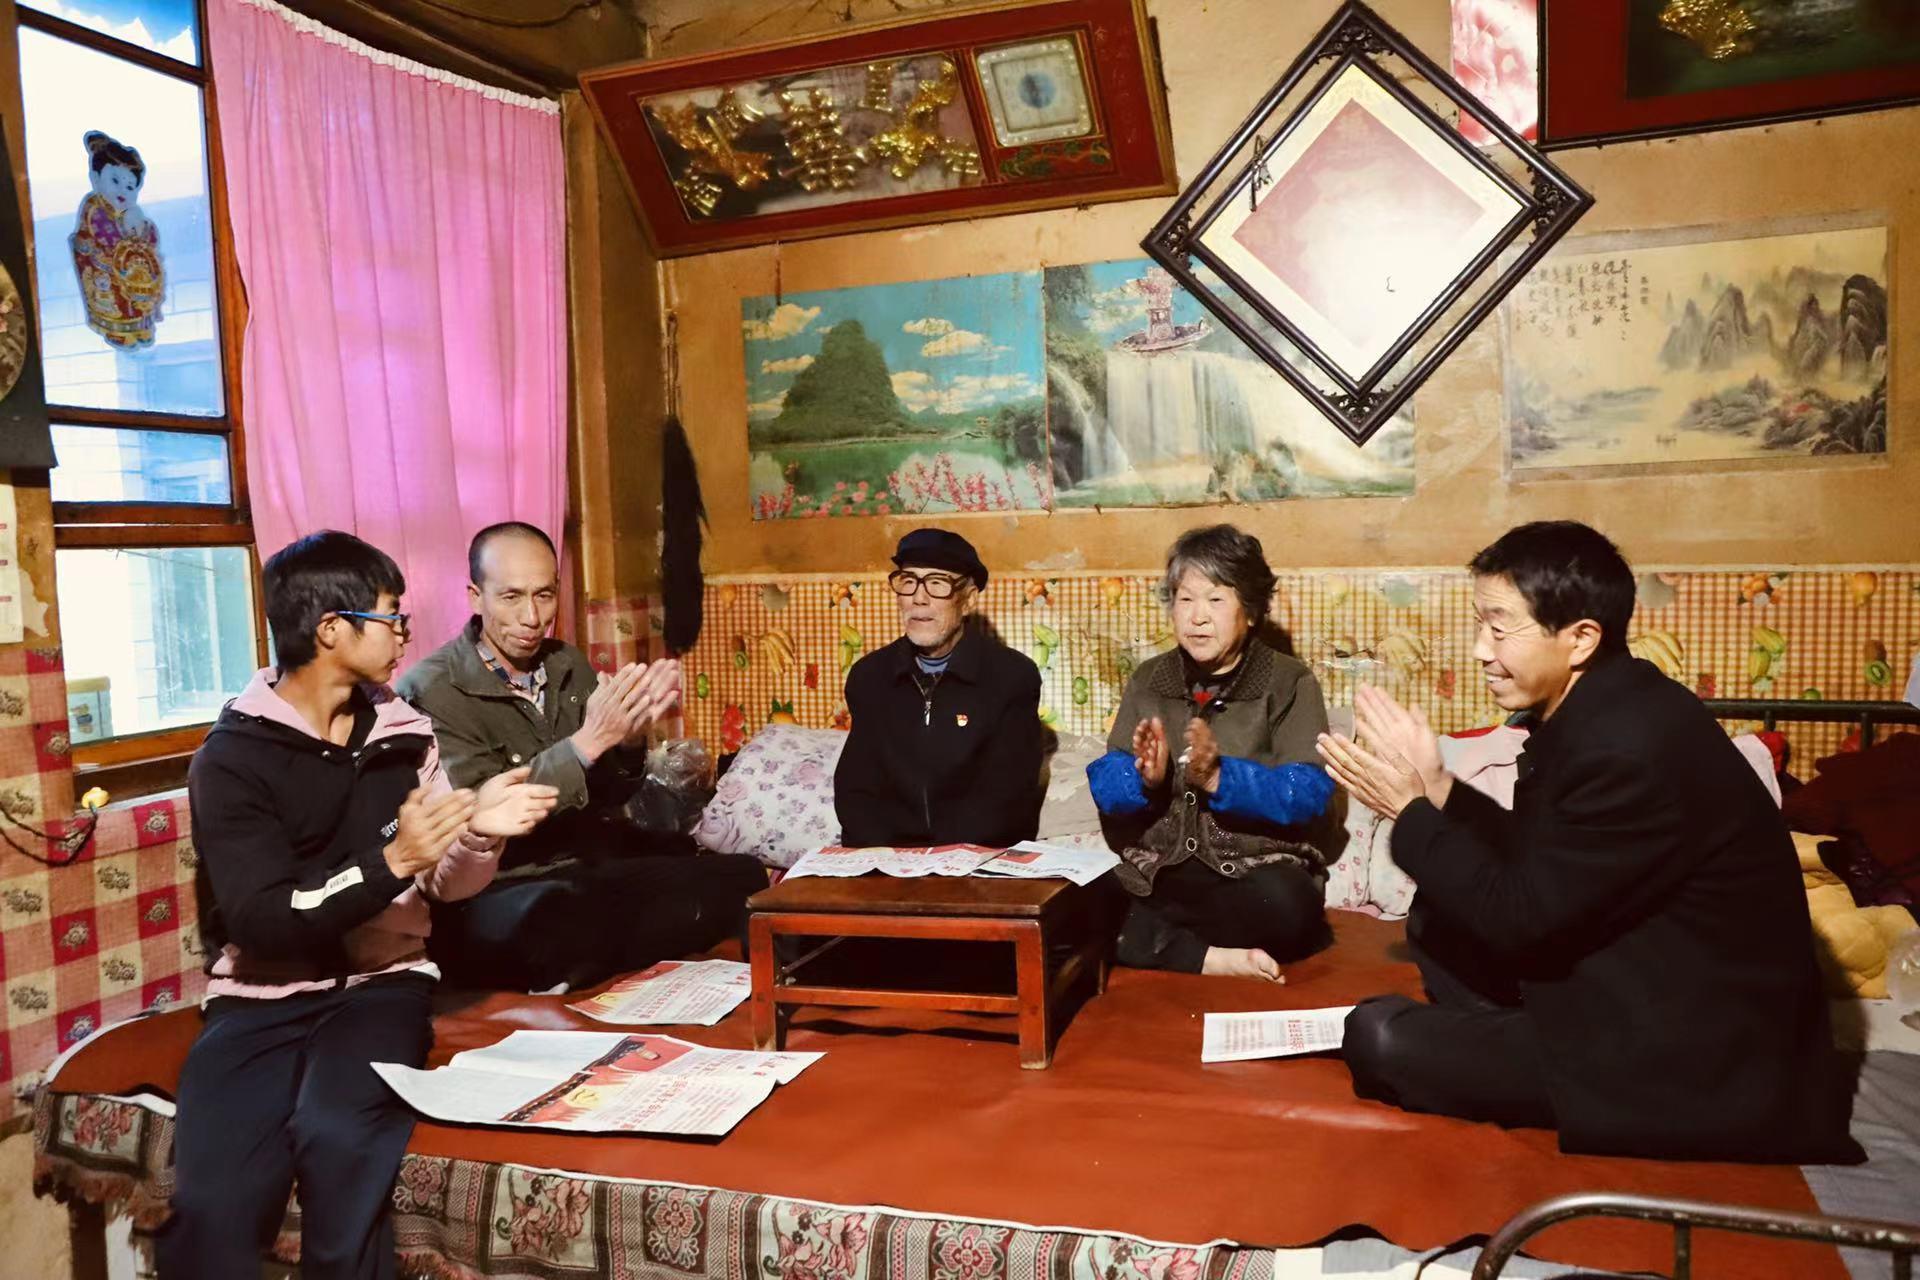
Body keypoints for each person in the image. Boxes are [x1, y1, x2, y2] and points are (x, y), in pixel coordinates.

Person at [1318, 520, 1856, 1162]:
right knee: (1438, 918)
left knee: (1377, 1033)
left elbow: (1519, 916)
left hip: (1690, 1057)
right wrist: (1437, 787)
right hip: (1637, 983)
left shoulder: (1626, 747)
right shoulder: (1609, 706)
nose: (1479, 650)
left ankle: (1532, 1056)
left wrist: (1407, 810)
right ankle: (1510, 1040)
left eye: (1499, 628)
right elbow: (1536, 859)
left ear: (1579, 639)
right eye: (1480, 624)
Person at [160, 531, 559, 1279]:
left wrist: (478, 835)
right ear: (331, 630)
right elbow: (262, 919)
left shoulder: (404, 733)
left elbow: (442, 885)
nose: (405, 631)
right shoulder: (233, 758)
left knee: (341, 1138)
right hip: (260, 995)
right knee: (213, 1202)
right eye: (390, 616)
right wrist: (392, 861)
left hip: (382, 985)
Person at [399, 522, 768, 993]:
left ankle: (586, 963)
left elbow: (608, 795)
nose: (532, 617)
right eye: (511, 597)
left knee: (742, 875)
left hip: (586, 867)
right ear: (476, 597)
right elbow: (476, 815)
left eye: (544, 595)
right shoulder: (432, 689)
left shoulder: (565, 663)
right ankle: (580, 960)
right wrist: (586, 743)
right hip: (498, 888)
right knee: (563, 918)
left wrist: (629, 739)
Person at [1087, 525, 1337, 982]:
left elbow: (1310, 792)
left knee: (1290, 907)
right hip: (1161, 874)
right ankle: (1209, 959)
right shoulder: (1149, 679)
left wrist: (1221, 777)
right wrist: (1143, 778)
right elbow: (1107, 783)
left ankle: (1154, 943)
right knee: (1075, 902)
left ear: (1251, 610)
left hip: (1250, 874)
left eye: (1216, 599)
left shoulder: (1289, 681)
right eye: (1185, 599)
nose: (1197, 617)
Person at [834, 527, 1045, 847]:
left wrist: (943, 857)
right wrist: (887, 857)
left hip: (975, 854)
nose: (919, 598)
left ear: (968, 600)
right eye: (908, 581)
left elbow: (1008, 795)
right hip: (888, 857)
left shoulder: (1012, 677)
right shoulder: (869, 676)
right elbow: (857, 789)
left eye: (937, 583)